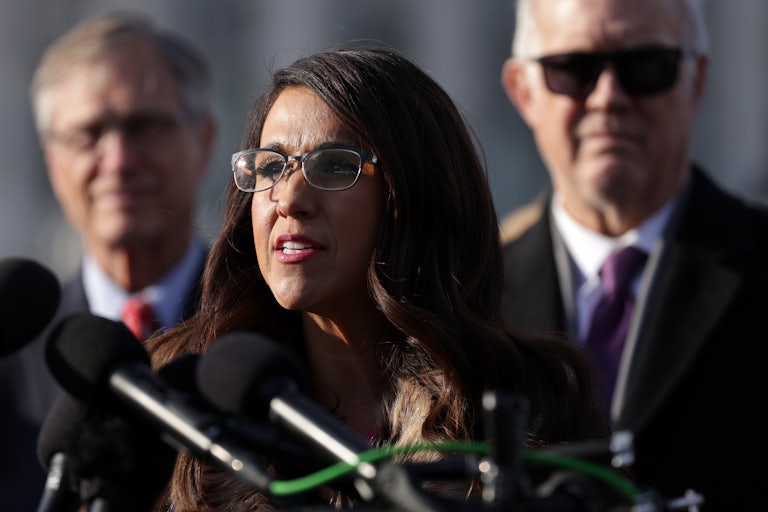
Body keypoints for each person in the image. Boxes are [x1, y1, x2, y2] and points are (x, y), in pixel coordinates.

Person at [146, 44, 611, 511]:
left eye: (334, 166)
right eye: (270, 166)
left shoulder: (530, 400)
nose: (288, 198)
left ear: (407, 195)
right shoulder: (173, 397)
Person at [498, 0, 768, 509]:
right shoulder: (467, 296)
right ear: (522, 90)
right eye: (572, 70)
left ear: (697, 80)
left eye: (647, 67)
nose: (609, 97)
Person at [0, 11, 217, 510]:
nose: (118, 161)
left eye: (145, 126)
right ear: (53, 164)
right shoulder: (9, 366)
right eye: (88, 133)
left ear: (204, 141)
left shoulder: (270, 336)